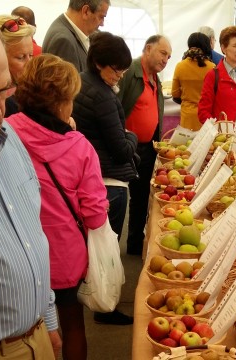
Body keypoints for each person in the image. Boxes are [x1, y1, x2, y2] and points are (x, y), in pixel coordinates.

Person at [6, 54, 108, 360]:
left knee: (21, 333)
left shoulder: (5, 134)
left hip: (16, 257)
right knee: (73, 326)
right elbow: (95, 213)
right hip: (64, 257)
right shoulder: (78, 147)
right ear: (63, 101)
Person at [0, 18, 61, 360]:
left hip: (36, 337)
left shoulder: (10, 138)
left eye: (3, 91)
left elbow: (32, 235)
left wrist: (47, 320)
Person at [72, 31, 137, 324]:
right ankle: (105, 307)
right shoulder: (101, 96)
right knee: (107, 252)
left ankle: (101, 303)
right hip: (109, 180)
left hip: (95, 175)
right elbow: (121, 149)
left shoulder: (83, 83)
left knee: (100, 249)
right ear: (99, 63)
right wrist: (133, 139)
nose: (119, 76)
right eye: (116, 69)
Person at [117, 34, 172, 255]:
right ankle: (111, 249)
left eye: (169, 56)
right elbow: (116, 105)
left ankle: (133, 244)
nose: (166, 59)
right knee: (119, 198)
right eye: (162, 53)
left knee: (140, 199)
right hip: (126, 148)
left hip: (147, 148)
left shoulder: (155, 78)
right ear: (148, 48)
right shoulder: (130, 72)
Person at [198, 25, 236, 128]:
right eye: (234, 46)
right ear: (223, 48)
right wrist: (218, 129)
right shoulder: (212, 76)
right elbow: (203, 112)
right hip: (222, 140)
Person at [43, 0, 110, 72]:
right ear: (86, 11)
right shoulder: (64, 41)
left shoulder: (69, 32)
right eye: (101, 17)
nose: (102, 24)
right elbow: (70, 82)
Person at [172, 32, 215, 131]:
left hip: (187, 117)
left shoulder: (180, 66)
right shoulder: (212, 67)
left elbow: (175, 94)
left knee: (187, 145)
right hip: (206, 118)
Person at [0, 15, 34, 117]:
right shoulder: (1, 106)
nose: (30, 65)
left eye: (31, 55)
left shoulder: (30, 94)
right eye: (21, 57)